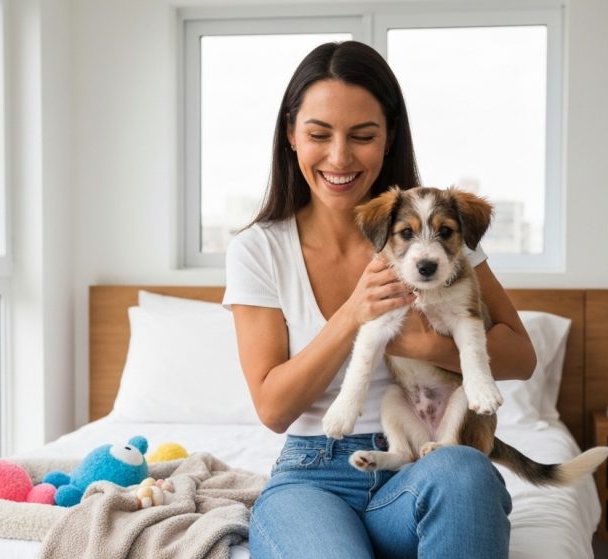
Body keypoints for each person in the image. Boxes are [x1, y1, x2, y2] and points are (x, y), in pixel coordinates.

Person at [223, 41, 537, 559]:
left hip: (425, 460)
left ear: (389, 138)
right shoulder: (259, 249)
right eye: (319, 134)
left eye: (363, 136)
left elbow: (522, 358)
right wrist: (353, 313)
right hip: (312, 476)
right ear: (291, 137)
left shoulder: (440, 242)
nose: (340, 157)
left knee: (464, 474)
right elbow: (273, 408)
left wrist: (428, 344)